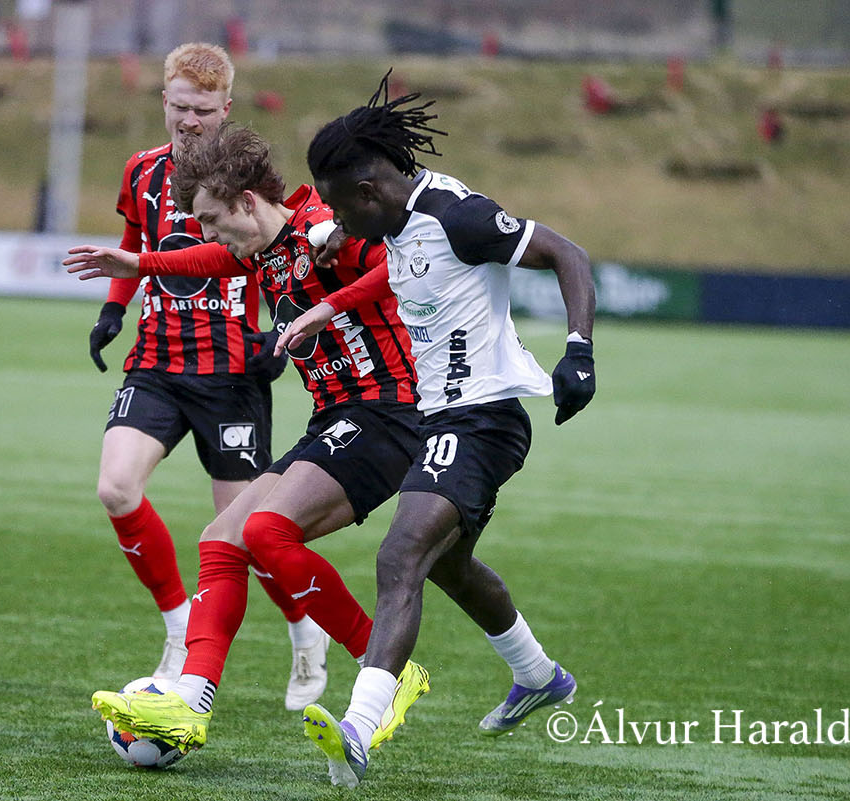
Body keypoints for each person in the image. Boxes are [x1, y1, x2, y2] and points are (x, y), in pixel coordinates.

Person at [64, 123, 431, 755]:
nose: (208, 234)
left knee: (265, 532)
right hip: (336, 418)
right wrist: (140, 264)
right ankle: (189, 704)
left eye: (212, 219)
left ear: (247, 202)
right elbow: (215, 259)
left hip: (391, 411)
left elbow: (402, 271)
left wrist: (330, 305)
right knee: (222, 539)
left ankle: (383, 669)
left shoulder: (326, 230)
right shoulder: (263, 246)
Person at [278, 73, 597, 787]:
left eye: (338, 206)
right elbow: (374, 237)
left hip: (483, 418)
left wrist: (578, 351)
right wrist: (336, 234)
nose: (334, 220)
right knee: (447, 564)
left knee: (401, 555)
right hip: (438, 417)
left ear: (369, 190)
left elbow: (568, 254)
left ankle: (358, 728)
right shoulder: (388, 216)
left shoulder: (459, 217)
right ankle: (538, 674)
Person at [86, 42, 322, 705]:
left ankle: (306, 630)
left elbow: (283, 250)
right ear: (164, 100)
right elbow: (133, 244)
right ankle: (176, 625)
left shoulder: (249, 179)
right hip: (157, 363)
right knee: (115, 487)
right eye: (181, 107)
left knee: (247, 533)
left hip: (232, 374)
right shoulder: (140, 171)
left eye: (205, 110)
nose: (190, 121)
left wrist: (282, 332)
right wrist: (113, 309)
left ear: (227, 108)